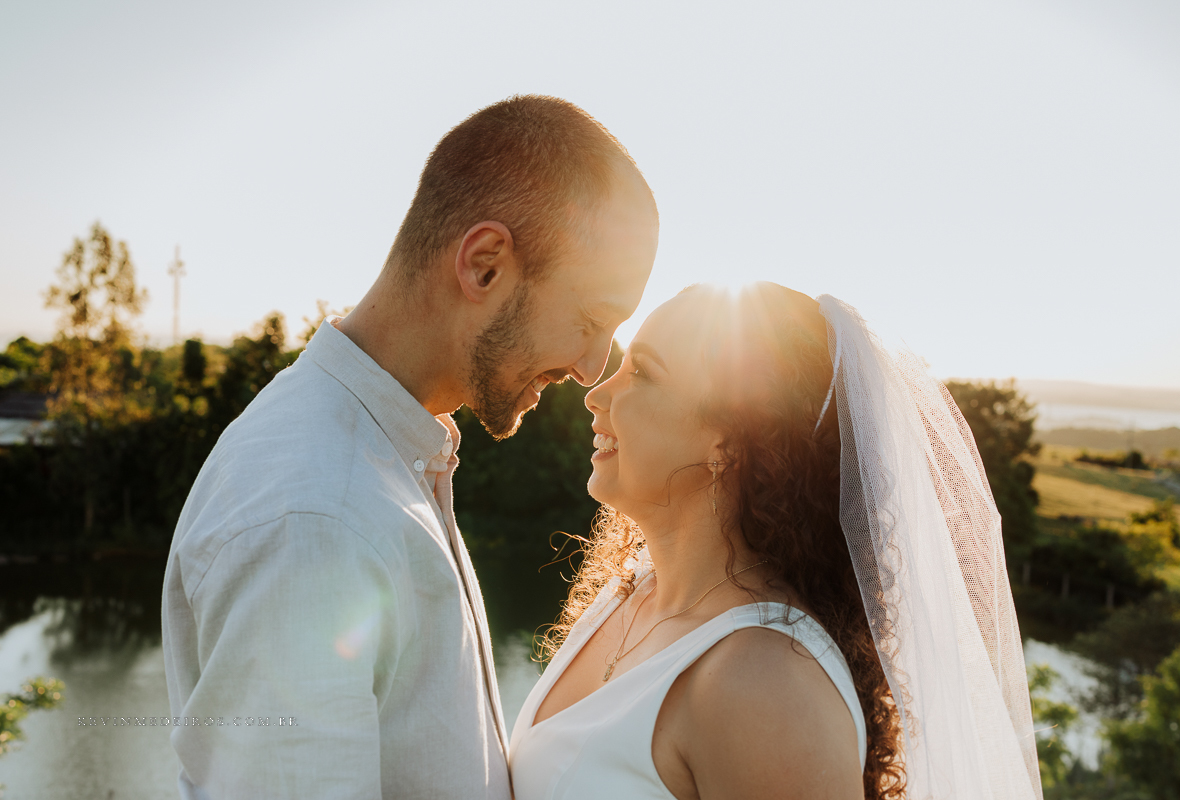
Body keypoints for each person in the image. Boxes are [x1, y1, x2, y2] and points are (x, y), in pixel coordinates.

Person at [161, 95, 659, 798]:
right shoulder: (314, 517)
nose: (591, 367)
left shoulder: (385, 461)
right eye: (590, 318)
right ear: (484, 264)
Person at [509, 282, 1043, 800]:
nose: (596, 394)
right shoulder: (630, 596)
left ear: (730, 444)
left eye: (644, 372)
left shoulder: (767, 684)